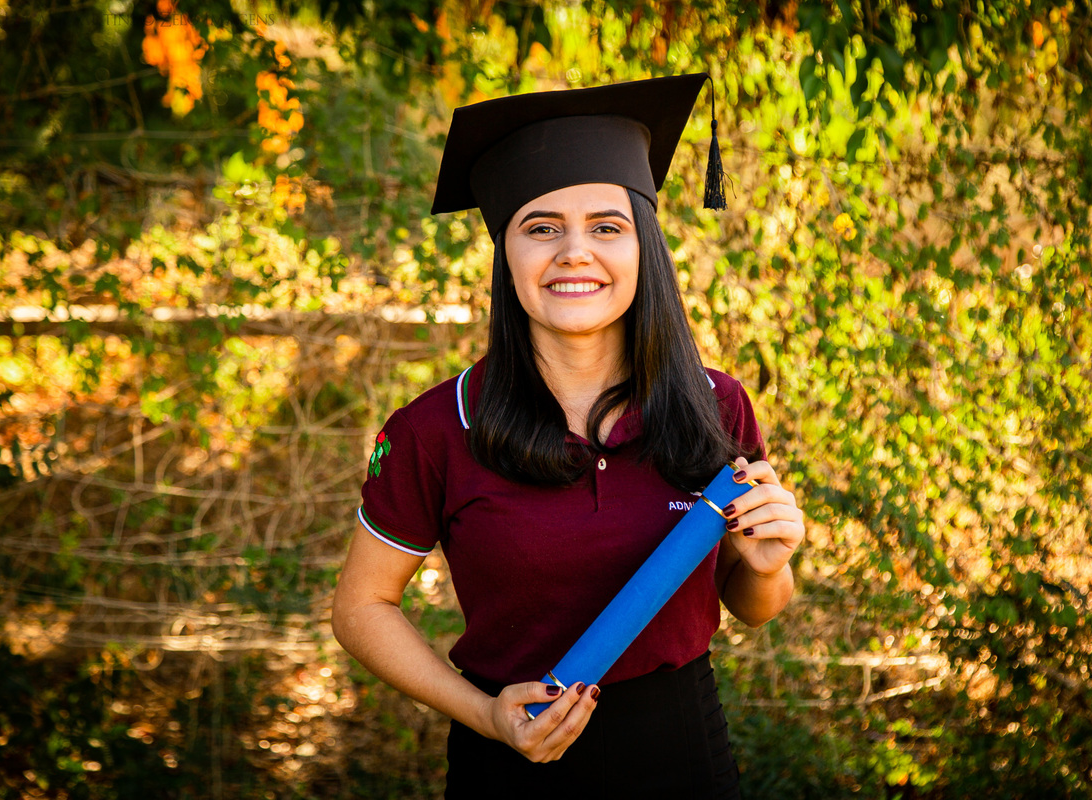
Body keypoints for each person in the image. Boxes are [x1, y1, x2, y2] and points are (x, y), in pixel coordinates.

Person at [332, 72, 806, 798]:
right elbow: (361, 609)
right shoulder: (435, 428)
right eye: (542, 227)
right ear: (506, 255)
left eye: (606, 227)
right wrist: (486, 716)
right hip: (510, 760)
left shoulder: (715, 405)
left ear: (644, 247)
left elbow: (755, 605)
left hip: (681, 751)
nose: (574, 252)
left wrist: (768, 566)